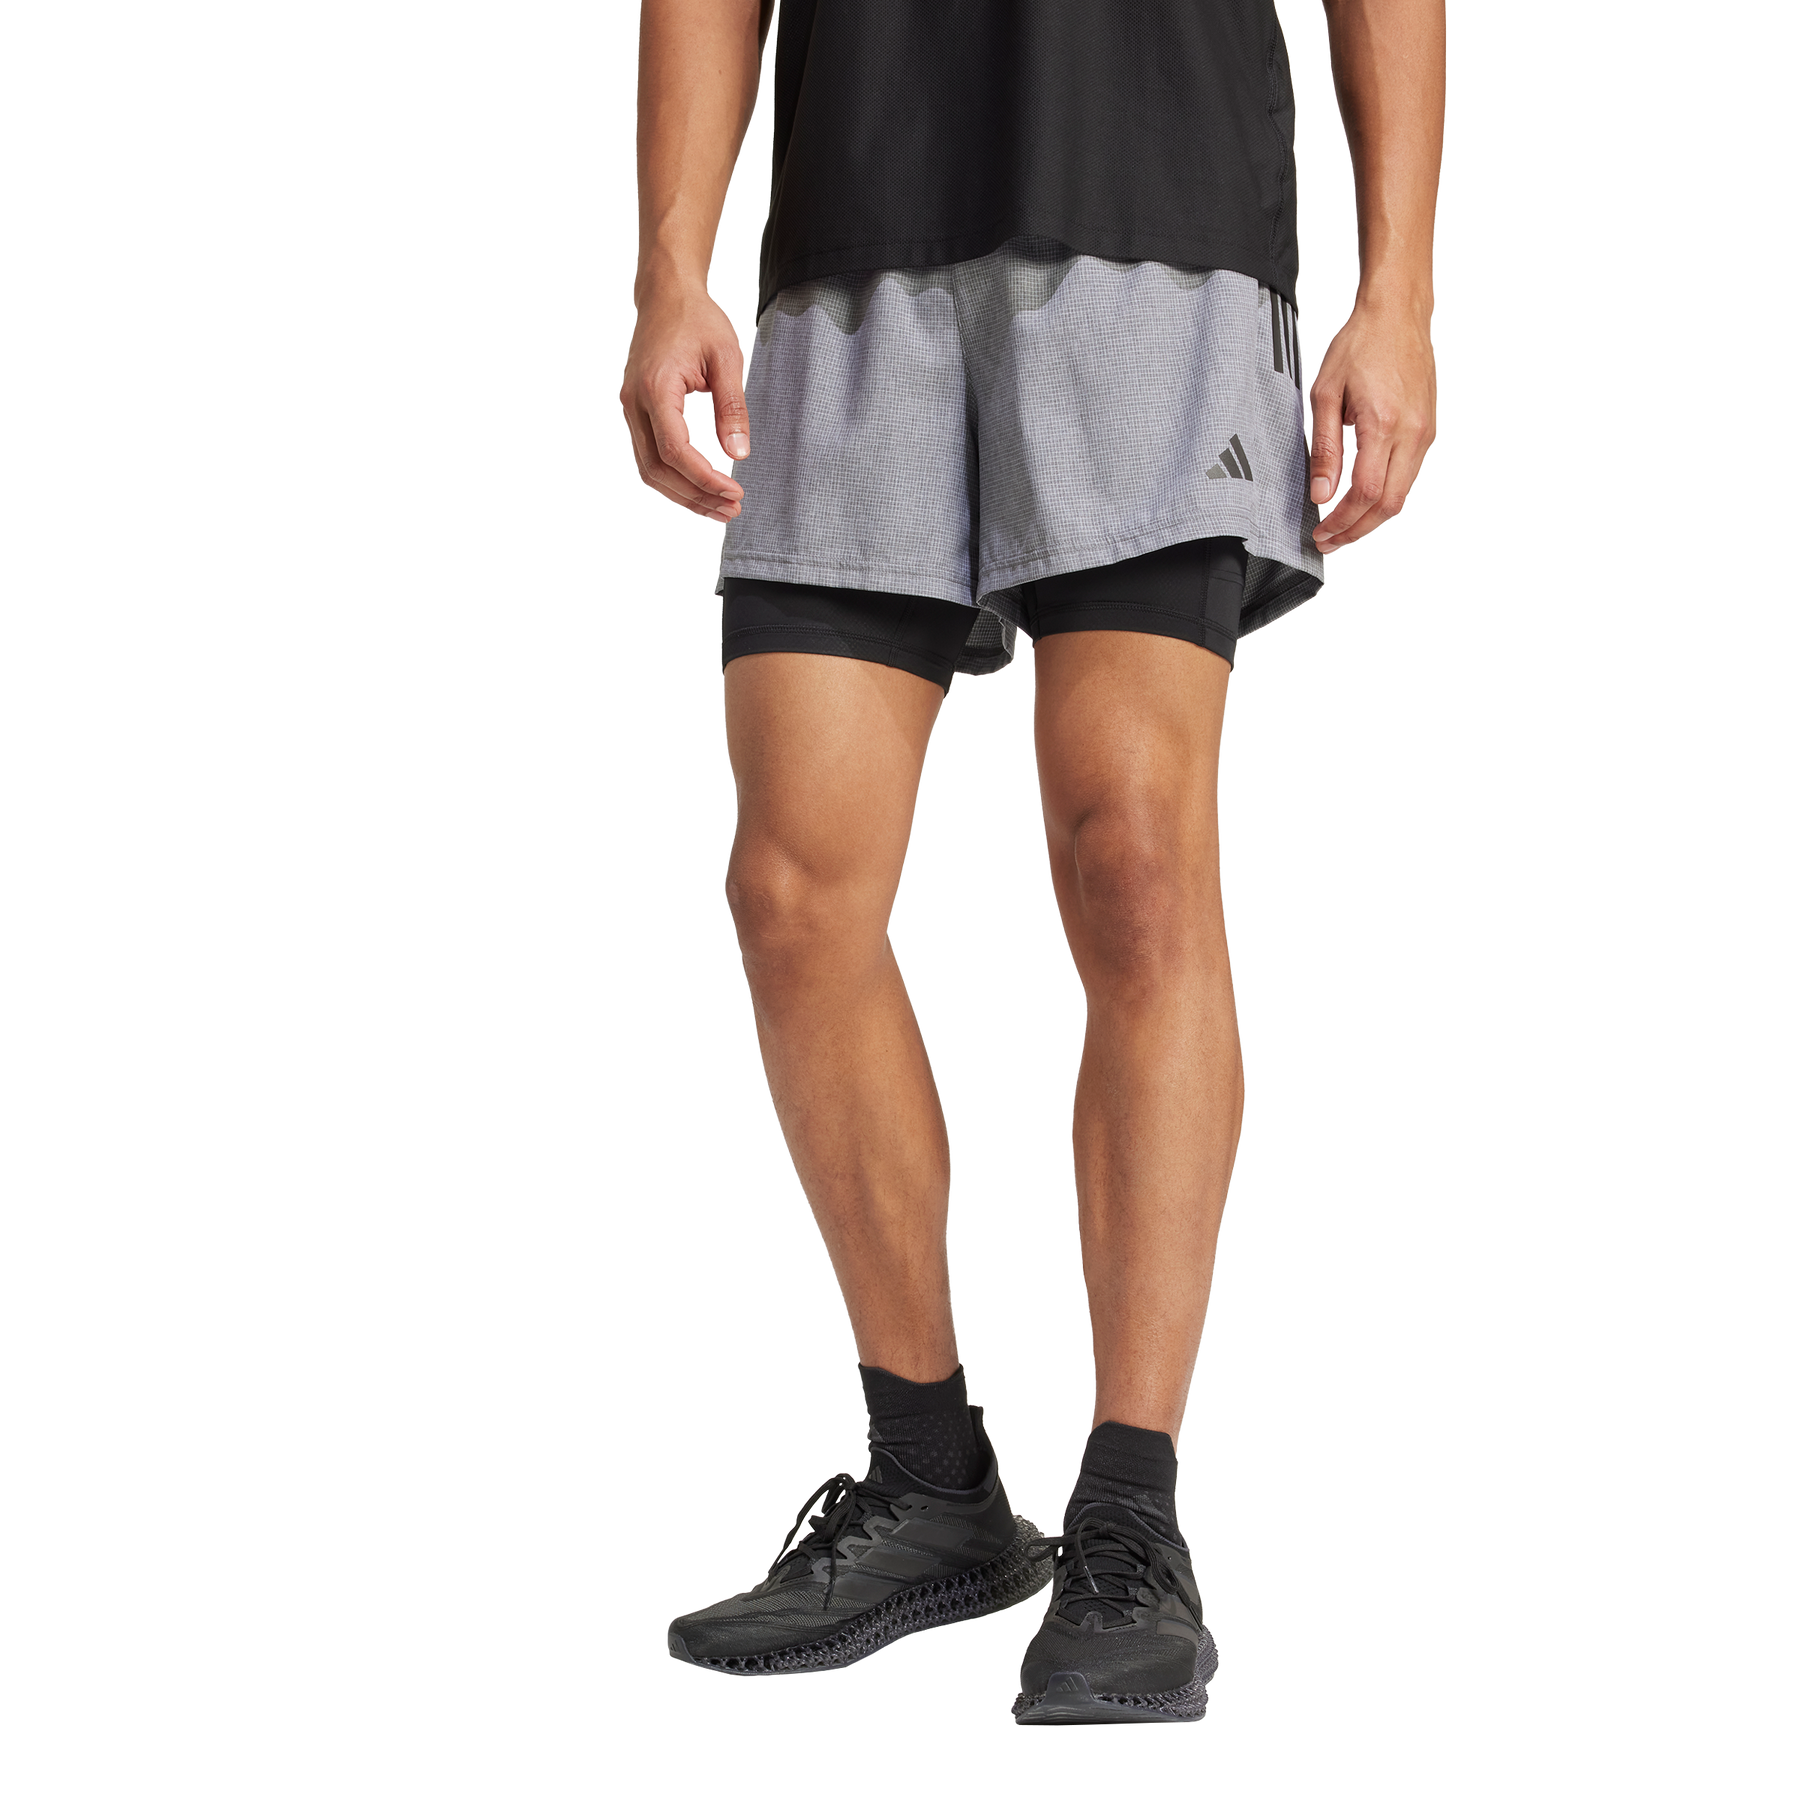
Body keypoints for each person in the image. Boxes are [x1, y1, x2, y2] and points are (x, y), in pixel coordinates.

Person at [619, 0, 1444, 1728]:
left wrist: (1398, 293)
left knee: (1131, 850)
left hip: (1162, 231)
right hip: (852, 246)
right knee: (791, 890)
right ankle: (931, 1480)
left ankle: (1132, 1517)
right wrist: (668, 269)